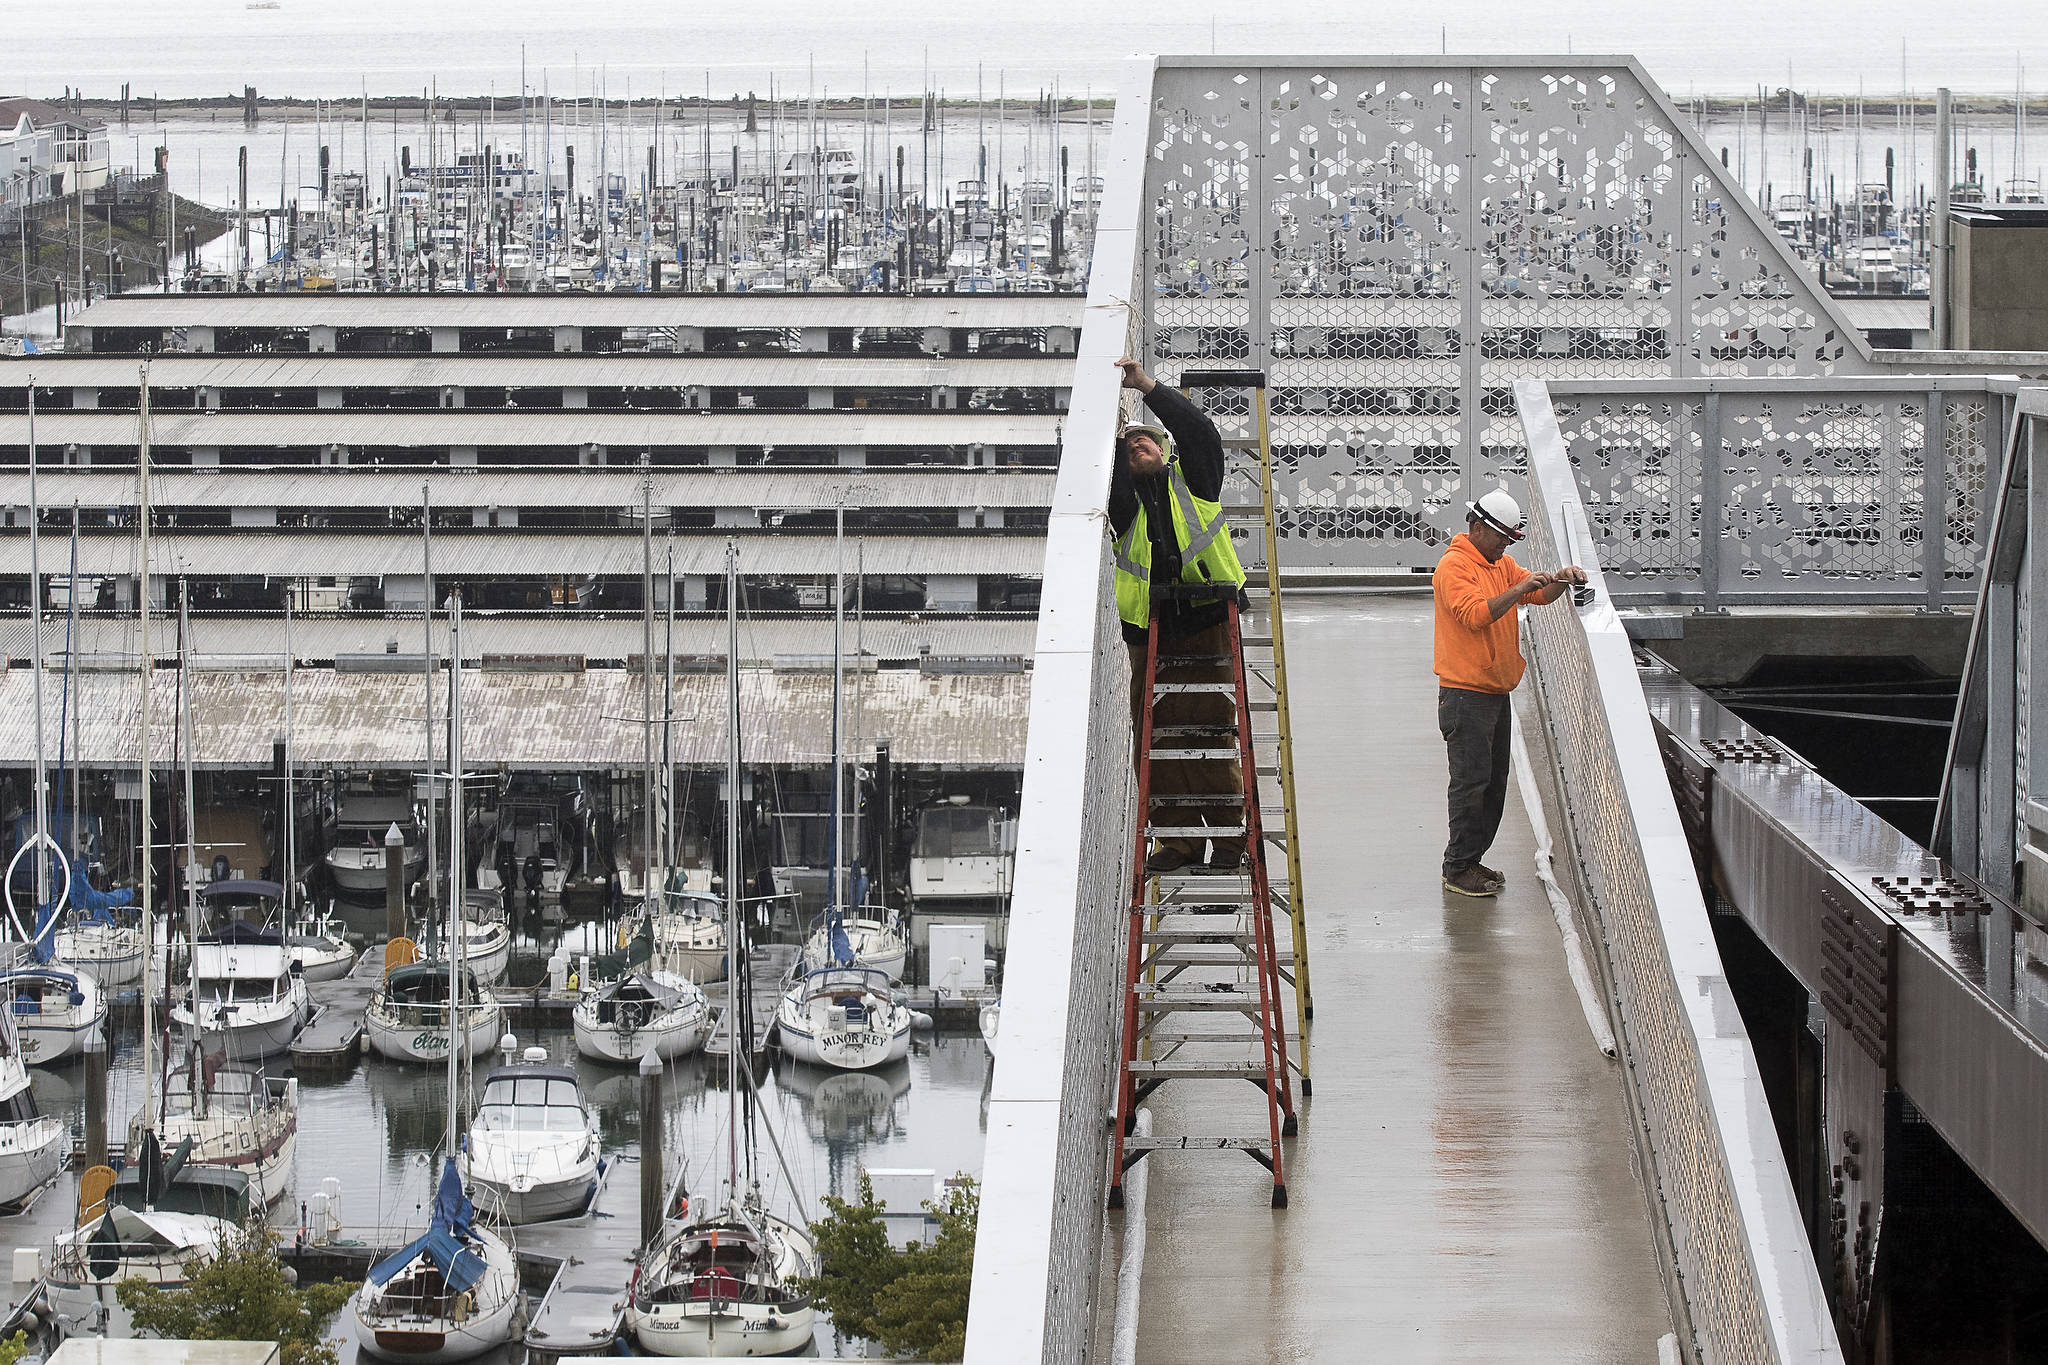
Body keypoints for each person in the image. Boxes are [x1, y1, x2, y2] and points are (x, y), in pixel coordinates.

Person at [1109, 357, 1250, 875]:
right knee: (1158, 740)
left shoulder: (1194, 482)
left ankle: (1230, 843)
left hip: (1205, 620)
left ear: (1165, 449)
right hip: (1152, 633)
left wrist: (1146, 387)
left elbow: (1200, 432)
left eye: (1145, 440)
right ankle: (1179, 843)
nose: (1136, 445)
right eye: (1127, 446)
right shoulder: (1123, 505)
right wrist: (1111, 423)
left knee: (1209, 735)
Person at [1434, 489, 1587, 899]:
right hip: (1465, 696)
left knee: (1493, 782)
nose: (1506, 543)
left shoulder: (1498, 563)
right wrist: (1519, 591)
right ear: (1479, 528)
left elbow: (1538, 593)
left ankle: (1471, 858)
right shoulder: (1454, 568)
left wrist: (1559, 579)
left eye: (1511, 538)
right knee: (1470, 783)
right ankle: (1457, 866)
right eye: (1502, 535)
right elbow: (1476, 615)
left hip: (1494, 693)